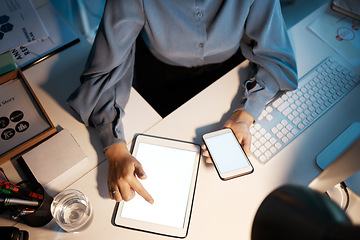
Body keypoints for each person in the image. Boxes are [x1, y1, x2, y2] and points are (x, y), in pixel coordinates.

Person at [67, 0, 298, 204]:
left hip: (228, 74)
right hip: (158, 77)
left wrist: (244, 115)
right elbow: (103, 73)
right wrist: (115, 149)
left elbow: (277, 59)